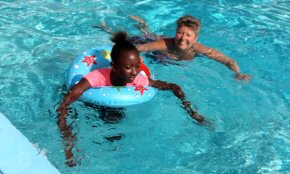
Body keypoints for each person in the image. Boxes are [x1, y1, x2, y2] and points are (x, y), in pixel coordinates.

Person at [58, 31, 208, 166]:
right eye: (129, 67)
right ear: (114, 66)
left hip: (114, 106)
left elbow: (171, 86)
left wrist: (191, 110)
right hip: (90, 104)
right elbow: (67, 100)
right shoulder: (98, 76)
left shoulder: (137, 79)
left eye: (137, 66)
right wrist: (69, 142)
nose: (134, 72)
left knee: (115, 131)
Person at [98, 15, 252, 81]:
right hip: (155, 49)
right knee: (129, 38)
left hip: (167, 58)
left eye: (188, 35)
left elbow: (228, 60)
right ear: (176, 32)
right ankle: (107, 28)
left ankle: (144, 26)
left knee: (148, 32)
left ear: (195, 38)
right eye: (180, 33)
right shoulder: (163, 44)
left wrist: (238, 73)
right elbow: (137, 48)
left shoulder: (200, 49)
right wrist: (138, 58)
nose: (183, 38)